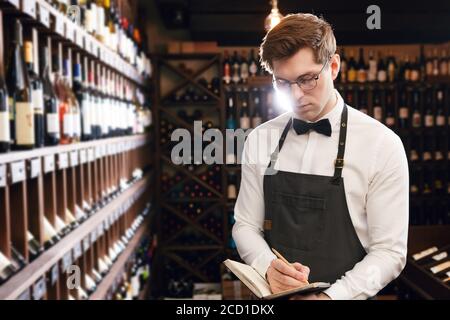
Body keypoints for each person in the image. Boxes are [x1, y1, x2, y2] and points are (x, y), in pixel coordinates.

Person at [232, 13, 409, 300]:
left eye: (307, 79)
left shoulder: (382, 145)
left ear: (334, 66)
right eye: (283, 83)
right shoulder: (259, 140)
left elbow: (389, 252)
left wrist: (331, 297)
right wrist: (267, 267)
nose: (296, 95)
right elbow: (245, 226)